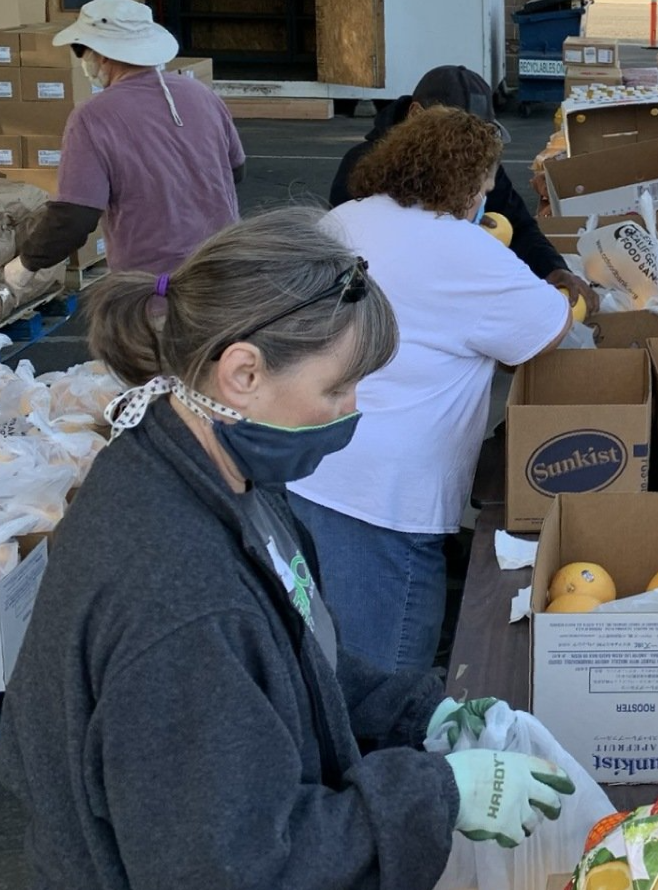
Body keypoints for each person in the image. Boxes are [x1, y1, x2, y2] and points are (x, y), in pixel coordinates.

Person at [0, 207, 575, 888]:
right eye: (337, 387)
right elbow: (237, 868)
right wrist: (436, 792)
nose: (353, 409)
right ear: (242, 372)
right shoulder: (181, 603)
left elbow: (292, 651)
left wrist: (419, 714)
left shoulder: (216, 473)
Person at [289, 107, 572, 675]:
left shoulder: (344, 219)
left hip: (306, 467)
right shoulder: (464, 250)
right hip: (387, 497)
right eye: (484, 189)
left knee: (315, 649)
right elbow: (547, 330)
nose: (484, 201)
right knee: (385, 675)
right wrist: (568, 291)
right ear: (464, 184)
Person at [2, 0, 244, 303]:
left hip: (153, 288)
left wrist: (25, 264)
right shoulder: (201, 95)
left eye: (81, 50)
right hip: (225, 271)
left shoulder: (93, 117)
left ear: (100, 54)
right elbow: (235, 171)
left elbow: (75, 217)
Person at [328, 65, 595, 311]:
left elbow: (520, 225)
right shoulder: (362, 170)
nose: (468, 149)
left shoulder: (476, 162)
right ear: (417, 115)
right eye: (457, 135)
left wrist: (552, 268)